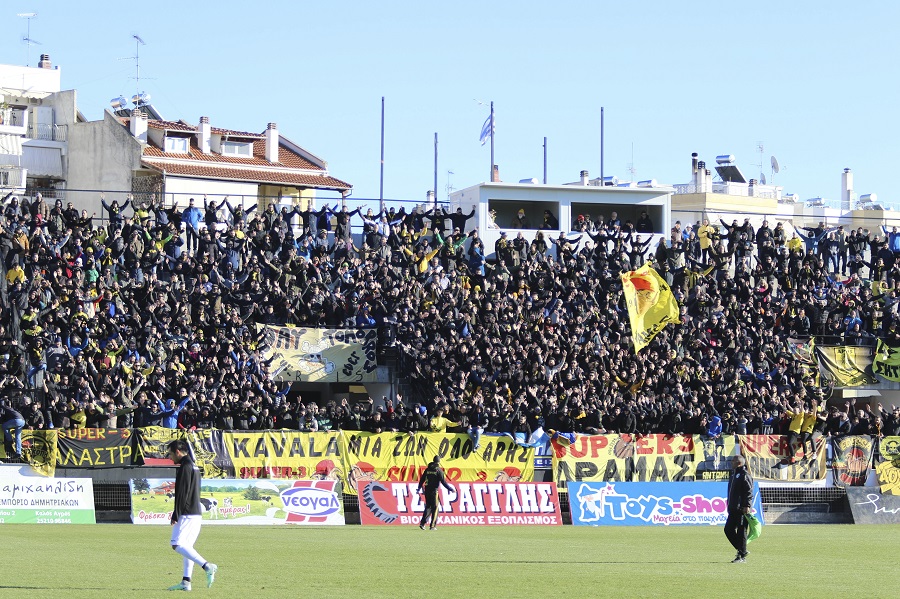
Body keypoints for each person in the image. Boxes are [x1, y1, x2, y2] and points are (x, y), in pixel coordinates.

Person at [167, 440, 217, 591]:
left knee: (176, 544)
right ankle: (186, 582)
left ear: (177, 452)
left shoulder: (185, 466)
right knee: (187, 547)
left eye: (170, 454)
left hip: (187, 513)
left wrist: (176, 513)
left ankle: (207, 566)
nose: (170, 458)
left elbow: (182, 492)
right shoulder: (193, 465)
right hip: (195, 513)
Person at [724, 455, 753, 563]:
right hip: (732, 508)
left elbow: (749, 491)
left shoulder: (745, 475)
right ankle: (742, 550)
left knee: (741, 531)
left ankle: (741, 556)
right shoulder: (733, 475)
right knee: (728, 529)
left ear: (739, 462)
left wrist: (747, 505)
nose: (731, 462)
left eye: (733, 461)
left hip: (741, 508)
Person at [417, 454, 453, 530]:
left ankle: (423, 523)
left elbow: (422, 479)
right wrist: (451, 489)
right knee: (435, 508)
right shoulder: (439, 470)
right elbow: (444, 482)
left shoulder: (427, 469)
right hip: (434, 491)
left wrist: (419, 487)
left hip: (426, 490)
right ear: (438, 462)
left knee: (428, 507)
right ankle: (432, 526)